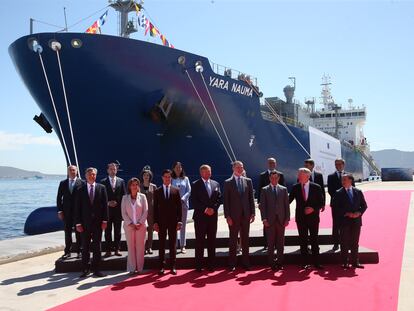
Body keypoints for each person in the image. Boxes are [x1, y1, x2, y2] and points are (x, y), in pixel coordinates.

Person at [75, 167, 108, 278]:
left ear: (96, 175)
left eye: (93, 174)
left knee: (97, 247)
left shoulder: (102, 188)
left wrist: (105, 220)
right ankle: (85, 269)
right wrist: (78, 223)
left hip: (98, 223)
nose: (91, 176)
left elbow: (105, 206)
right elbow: (77, 208)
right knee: (85, 247)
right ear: (85, 176)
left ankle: (96, 269)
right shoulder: (80, 189)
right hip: (84, 224)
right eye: (89, 174)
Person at [289, 168, 324, 270]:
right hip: (300, 218)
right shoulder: (295, 187)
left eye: (301, 175)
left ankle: (316, 263)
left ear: (308, 176)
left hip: (313, 218)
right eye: (299, 174)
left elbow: (321, 202)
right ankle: (305, 263)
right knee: (303, 241)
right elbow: (288, 200)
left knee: (314, 240)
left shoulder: (316, 187)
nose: (298, 176)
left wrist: (313, 209)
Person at [224, 161, 255, 271]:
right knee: (233, 240)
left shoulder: (248, 181)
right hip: (233, 217)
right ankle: (232, 263)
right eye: (238, 167)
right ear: (233, 168)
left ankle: (246, 262)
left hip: (246, 215)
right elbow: (226, 201)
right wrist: (227, 216)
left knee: (245, 240)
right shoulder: (228, 182)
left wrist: (253, 213)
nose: (240, 169)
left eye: (241, 167)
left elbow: (251, 198)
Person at [331, 174, 367, 269]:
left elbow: (364, 205)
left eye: (345, 180)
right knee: (344, 242)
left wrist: (358, 213)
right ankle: (345, 262)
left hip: (356, 221)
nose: (343, 181)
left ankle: (355, 262)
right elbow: (335, 208)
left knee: (355, 242)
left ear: (350, 180)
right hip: (344, 221)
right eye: (342, 180)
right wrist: (347, 213)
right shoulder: (338, 193)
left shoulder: (358, 192)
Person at [190, 164, 222, 272]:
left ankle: (211, 264)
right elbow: (194, 201)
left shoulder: (216, 184)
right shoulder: (195, 184)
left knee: (212, 241)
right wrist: (205, 209)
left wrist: (214, 209)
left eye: (210, 171)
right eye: (207, 171)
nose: (209, 173)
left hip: (212, 217)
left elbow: (219, 199)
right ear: (201, 173)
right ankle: (199, 265)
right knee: (200, 241)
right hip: (200, 217)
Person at [259, 170, 290, 271]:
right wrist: (264, 219)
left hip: (281, 220)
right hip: (269, 221)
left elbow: (286, 206)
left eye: (276, 178)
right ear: (269, 178)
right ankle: (272, 263)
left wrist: (287, 219)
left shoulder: (284, 189)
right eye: (272, 178)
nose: (274, 179)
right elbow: (262, 206)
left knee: (280, 243)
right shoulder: (264, 190)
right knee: (270, 243)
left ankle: (280, 262)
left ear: (279, 178)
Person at [153, 169, 182, 275]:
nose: (167, 178)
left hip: (173, 222)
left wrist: (180, 221)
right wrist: (155, 222)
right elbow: (155, 208)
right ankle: (161, 266)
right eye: (165, 176)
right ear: (162, 178)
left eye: (169, 177)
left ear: (171, 178)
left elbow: (179, 207)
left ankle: (173, 266)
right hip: (161, 222)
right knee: (161, 244)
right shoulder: (157, 191)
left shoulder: (176, 190)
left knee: (172, 244)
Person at [257, 157, 285, 250]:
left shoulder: (280, 174)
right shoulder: (262, 175)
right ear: (267, 164)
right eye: (270, 163)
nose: (271, 164)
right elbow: (259, 189)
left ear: (276, 164)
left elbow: (283, 189)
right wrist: (260, 203)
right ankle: (266, 244)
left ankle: (277, 244)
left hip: (278, 206)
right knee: (267, 225)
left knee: (278, 226)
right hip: (267, 206)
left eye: (273, 163)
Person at [121, 178, 148, 274]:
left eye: (136, 184)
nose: (134, 186)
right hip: (129, 227)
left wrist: (140, 223)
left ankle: (140, 268)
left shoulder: (143, 197)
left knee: (140, 247)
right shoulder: (125, 198)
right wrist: (131, 223)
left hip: (141, 226)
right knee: (131, 247)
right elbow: (123, 213)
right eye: (132, 184)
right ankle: (132, 268)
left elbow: (146, 211)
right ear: (129, 186)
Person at [57, 165, 84, 259]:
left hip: (78, 212)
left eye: (73, 170)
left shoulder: (82, 183)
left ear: (76, 171)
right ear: (68, 172)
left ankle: (79, 251)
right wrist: (60, 210)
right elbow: (59, 198)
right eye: (70, 170)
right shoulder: (63, 183)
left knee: (79, 232)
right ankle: (67, 251)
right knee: (67, 232)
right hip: (66, 212)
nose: (72, 172)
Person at [327, 158, 354, 251]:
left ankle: (349, 243)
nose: (337, 166)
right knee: (336, 224)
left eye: (339, 164)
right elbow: (330, 190)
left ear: (343, 165)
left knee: (349, 224)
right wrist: (340, 199)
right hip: (336, 205)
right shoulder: (330, 176)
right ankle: (335, 243)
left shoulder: (349, 176)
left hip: (348, 205)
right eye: (336, 164)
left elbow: (352, 188)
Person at [100, 163, 126, 257]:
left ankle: (117, 249)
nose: (113, 171)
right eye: (111, 169)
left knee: (117, 231)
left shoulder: (121, 181)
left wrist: (121, 206)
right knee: (107, 231)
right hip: (107, 211)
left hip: (118, 211)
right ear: (107, 170)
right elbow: (100, 197)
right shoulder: (103, 182)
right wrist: (107, 203)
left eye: (114, 169)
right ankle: (108, 250)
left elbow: (124, 196)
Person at [171, 162, 191, 254]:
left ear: (182, 169)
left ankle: (183, 245)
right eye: (176, 167)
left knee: (182, 225)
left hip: (183, 204)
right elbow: (169, 190)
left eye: (180, 167)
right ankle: (174, 245)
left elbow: (189, 190)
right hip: (174, 205)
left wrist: (183, 198)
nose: (178, 169)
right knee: (174, 225)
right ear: (174, 169)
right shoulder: (171, 179)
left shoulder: (186, 179)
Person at [140, 167, 157, 255]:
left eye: (147, 175)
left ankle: (149, 247)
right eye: (144, 175)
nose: (146, 176)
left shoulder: (153, 186)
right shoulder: (139, 186)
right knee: (142, 230)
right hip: (141, 211)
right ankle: (143, 247)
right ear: (142, 176)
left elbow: (156, 199)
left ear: (150, 176)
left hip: (151, 212)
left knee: (150, 230)